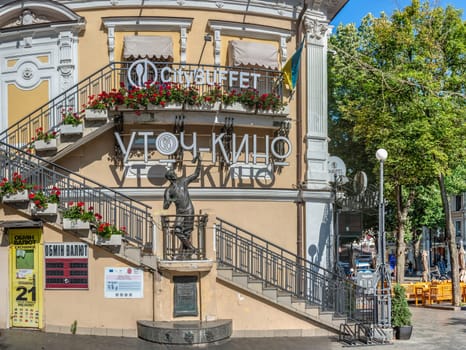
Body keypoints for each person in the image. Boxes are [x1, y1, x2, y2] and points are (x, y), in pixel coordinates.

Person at [163, 155, 201, 253]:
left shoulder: (183, 181)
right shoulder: (168, 190)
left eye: (174, 173)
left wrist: (199, 162)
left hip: (189, 209)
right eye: (172, 174)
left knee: (187, 232)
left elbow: (195, 174)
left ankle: (184, 253)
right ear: (169, 178)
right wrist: (168, 199)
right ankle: (192, 248)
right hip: (180, 212)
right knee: (177, 230)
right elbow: (165, 207)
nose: (175, 175)